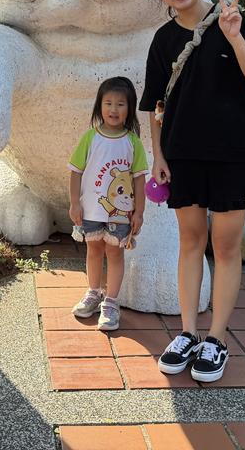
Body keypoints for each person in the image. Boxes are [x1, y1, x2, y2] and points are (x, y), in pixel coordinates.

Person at [140, 0, 245, 382]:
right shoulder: (163, 40)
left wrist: (234, 36)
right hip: (183, 154)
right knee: (190, 241)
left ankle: (216, 339)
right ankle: (187, 333)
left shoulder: (231, 21)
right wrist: (158, 156)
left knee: (227, 245)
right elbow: (154, 105)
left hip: (234, 154)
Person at [68, 76, 148, 331]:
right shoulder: (90, 138)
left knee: (114, 253)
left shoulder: (133, 142)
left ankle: (111, 302)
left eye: (120, 104)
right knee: (93, 250)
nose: (114, 109)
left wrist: (139, 212)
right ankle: (93, 292)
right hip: (91, 210)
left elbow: (139, 180)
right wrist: (74, 203)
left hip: (121, 214)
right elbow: (75, 172)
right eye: (108, 103)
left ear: (130, 108)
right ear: (99, 106)